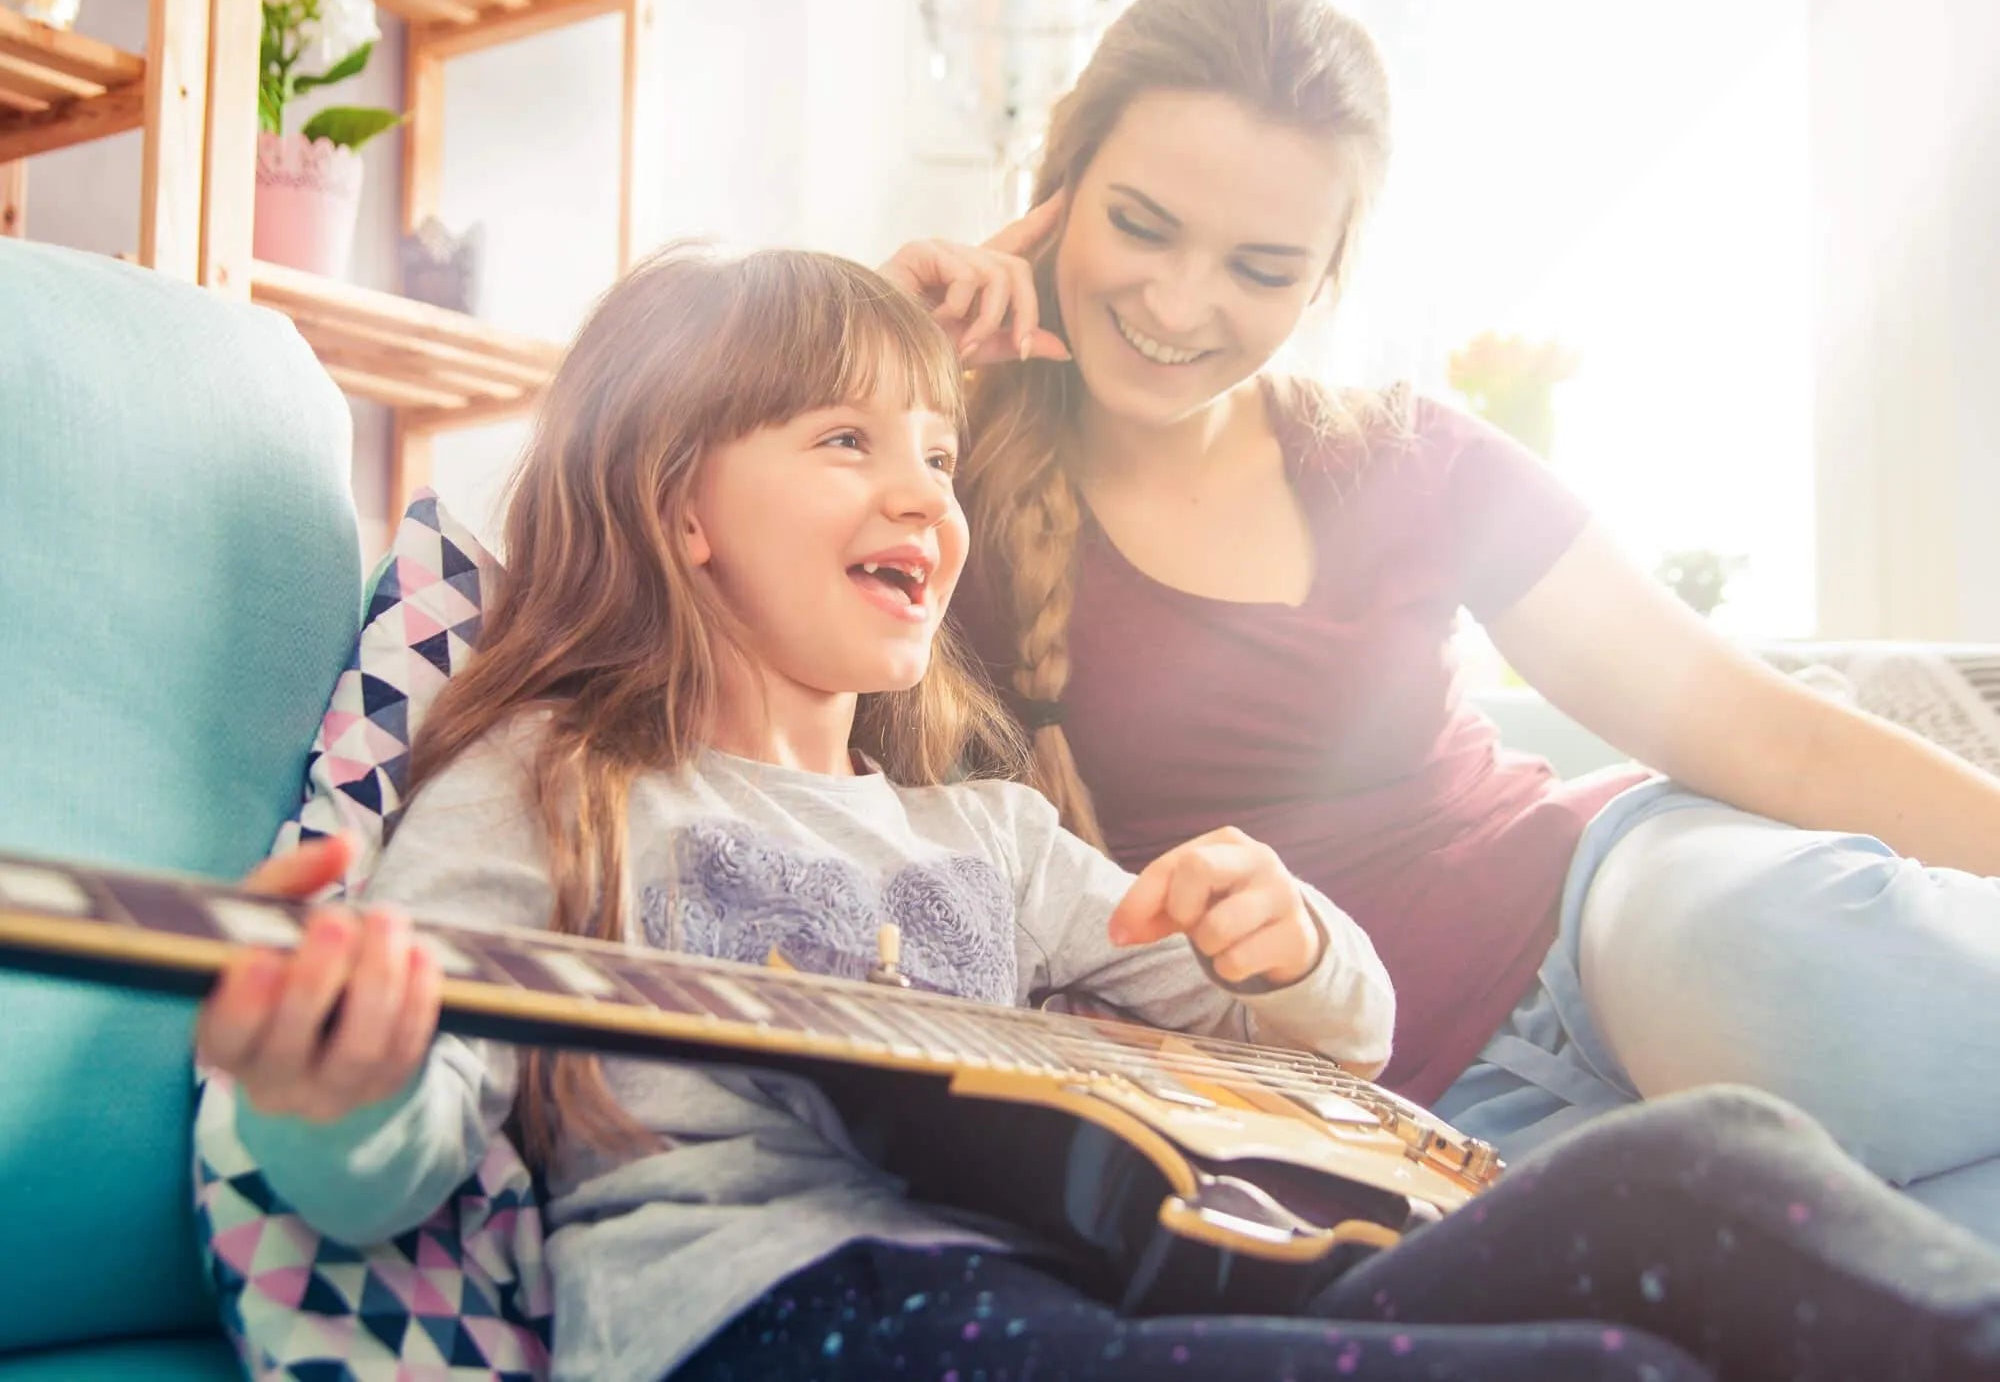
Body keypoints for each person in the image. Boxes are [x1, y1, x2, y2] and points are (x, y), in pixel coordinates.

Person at [194, 242, 2000, 1382]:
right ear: (678, 506)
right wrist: (326, 1085)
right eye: (844, 439)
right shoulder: (562, 784)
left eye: (931, 446)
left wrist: (1287, 942)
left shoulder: (983, 838)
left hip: (1103, 1276)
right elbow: (397, 1144)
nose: (921, 484)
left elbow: (1315, 1039)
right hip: (781, 1314)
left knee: (1718, 1152)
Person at [879, 0, 2000, 1243]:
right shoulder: (924, 485)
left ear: (1326, 276)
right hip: (1383, 1108)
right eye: (1142, 226)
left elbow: (1762, 730)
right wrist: (873, 370)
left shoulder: (1405, 457)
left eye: (1260, 266)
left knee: (1782, 981)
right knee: (1866, 1257)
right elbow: (665, 630)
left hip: (1603, 920)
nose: (1181, 304)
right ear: (1058, 192)